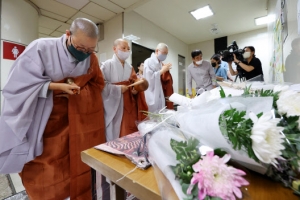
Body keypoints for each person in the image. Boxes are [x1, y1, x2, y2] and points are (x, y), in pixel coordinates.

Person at [0, 18, 106, 200]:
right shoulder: (40, 48)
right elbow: (17, 85)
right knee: (45, 173)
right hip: (44, 122)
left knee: (74, 166)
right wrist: (55, 87)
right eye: (81, 48)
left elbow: (98, 84)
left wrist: (79, 93)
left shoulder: (91, 59)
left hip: (76, 123)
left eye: (90, 50)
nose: (85, 54)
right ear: (68, 34)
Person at [101, 38, 148, 142]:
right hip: (113, 106)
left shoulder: (129, 67)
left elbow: (133, 83)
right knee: (113, 134)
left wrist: (135, 90)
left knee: (127, 133)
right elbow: (100, 85)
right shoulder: (106, 65)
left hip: (128, 106)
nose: (126, 51)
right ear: (114, 49)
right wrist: (117, 89)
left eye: (128, 49)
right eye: (123, 48)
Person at [143, 43, 174, 112]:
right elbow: (149, 79)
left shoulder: (160, 64)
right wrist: (162, 71)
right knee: (152, 116)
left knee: (160, 113)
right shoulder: (148, 61)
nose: (165, 55)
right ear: (157, 51)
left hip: (160, 92)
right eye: (164, 53)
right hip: (151, 93)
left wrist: (165, 71)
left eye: (166, 53)